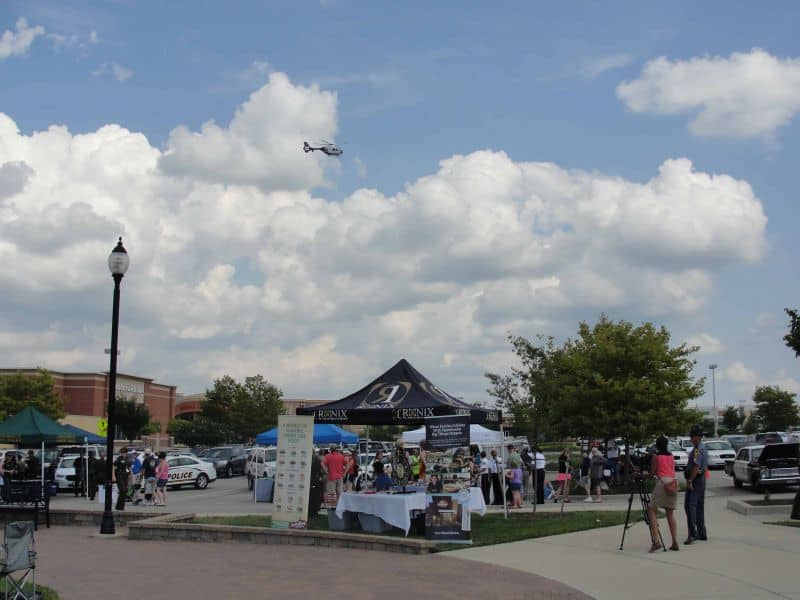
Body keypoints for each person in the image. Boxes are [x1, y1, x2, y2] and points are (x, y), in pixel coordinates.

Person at [648, 435, 679, 552]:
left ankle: (656, 541)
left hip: (662, 482)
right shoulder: (671, 456)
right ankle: (674, 541)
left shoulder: (656, 456)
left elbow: (652, 473)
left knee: (651, 509)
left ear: (657, 445)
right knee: (669, 513)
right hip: (672, 483)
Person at [684, 424, 708, 544]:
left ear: (697, 437)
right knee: (699, 507)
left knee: (690, 506)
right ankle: (702, 532)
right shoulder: (703, 448)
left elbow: (696, 466)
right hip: (701, 480)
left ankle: (692, 534)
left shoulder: (698, 450)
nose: (690, 438)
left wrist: (689, 481)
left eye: (692, 436)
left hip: (695, 481)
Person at [309, 450, 324, 515]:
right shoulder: (318, 459)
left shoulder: (311, 459)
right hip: (317, 479)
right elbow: (322, 470)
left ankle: (312, 509)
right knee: (317, 495)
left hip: (312, 479)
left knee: (313, 495)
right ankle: (315, 509)